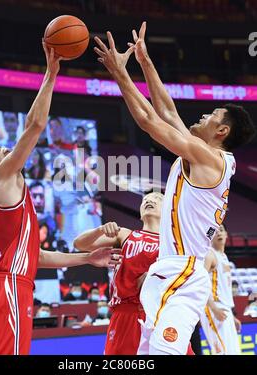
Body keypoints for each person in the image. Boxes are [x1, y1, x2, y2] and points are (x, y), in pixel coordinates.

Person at [94, 22, 256, 354]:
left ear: (222, 130)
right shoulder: (201, 154)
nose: (203, 115)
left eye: (211, 114)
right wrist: (145, 60)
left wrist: (119, 74)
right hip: (168, 269)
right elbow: (167, 111)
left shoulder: (210, 158)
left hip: (183, 271)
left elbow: (149, 122)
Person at [0, 45, 121, 355]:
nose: (6, 150)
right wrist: (51, 74)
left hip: (10, 284)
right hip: (9, 286)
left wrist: (86, 259)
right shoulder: (2, 179)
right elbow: (36, 126)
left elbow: (36, 255)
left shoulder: (10, 191)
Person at [74, 193, 193, 355]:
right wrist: (100, 229)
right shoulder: (125, 234)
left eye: (157, 199)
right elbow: (80, 244)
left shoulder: (177, 244)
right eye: (145, 200)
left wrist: (154, 279)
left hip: (163, 314)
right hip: (127, 313)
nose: (149, 200)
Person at [201, 224, 241, 355]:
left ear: (226, 234)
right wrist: (213, 308)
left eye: (221, 230)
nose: (218, 233)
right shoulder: (209, 255)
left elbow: (223, 289)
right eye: (215, 231)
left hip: (225, 309)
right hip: (213, 307)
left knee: (233, 351)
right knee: (222, 352)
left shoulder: (224, 256)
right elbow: (200, 283)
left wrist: (232, 316)